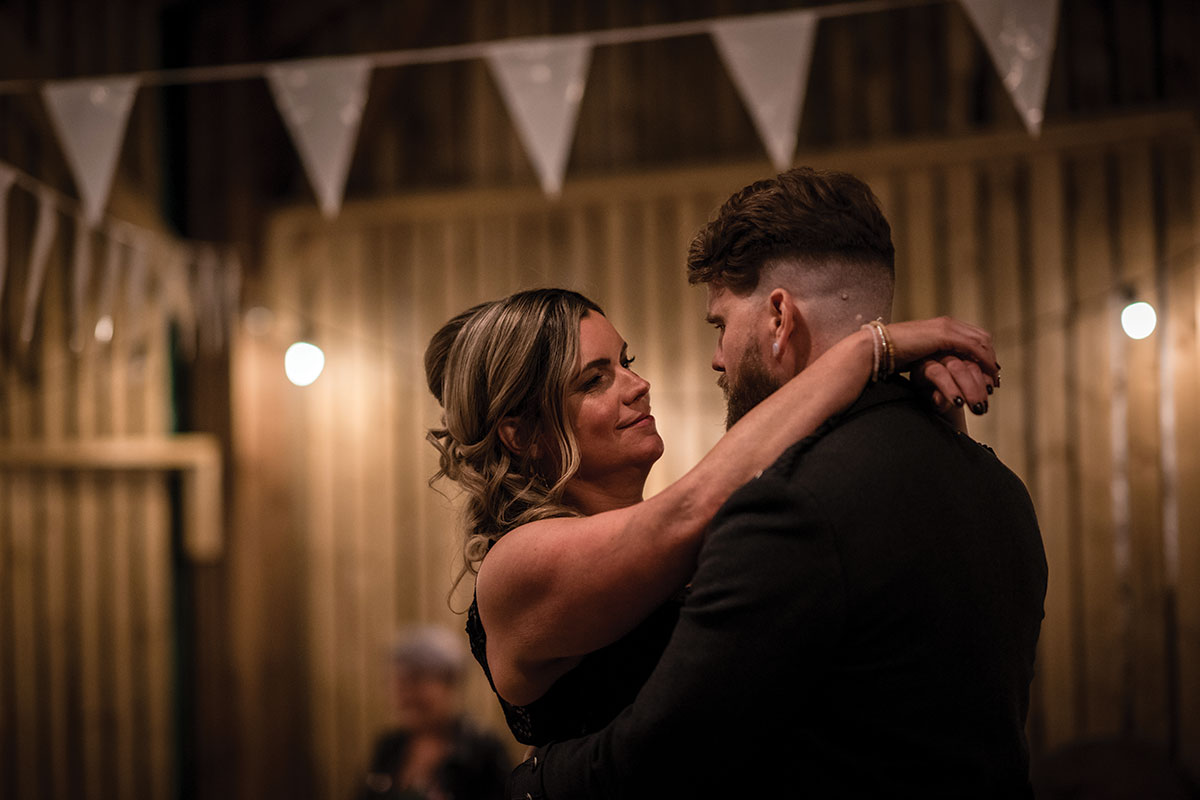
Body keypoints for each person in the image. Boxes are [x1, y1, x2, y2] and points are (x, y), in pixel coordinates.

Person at [505, 167, 1048, 798]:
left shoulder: (792, 507)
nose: (716, 357)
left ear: (779, 317)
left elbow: (666, 754)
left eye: (719, 325)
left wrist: (528, 783)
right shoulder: (999, 487)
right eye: (594, 378)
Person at [427, 260, 995, 748]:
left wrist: (935, 409)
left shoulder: (679, 532)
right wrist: (870, 348)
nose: (637, 383)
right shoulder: (515, 565)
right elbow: (692, 506)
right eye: (594, 380)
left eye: (626, 360)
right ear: (521, 434)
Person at [354, 624, 510, 800]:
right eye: (398, 682)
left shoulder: (482, 750)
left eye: (416, 680)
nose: (404, 694)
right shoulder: (389, 746)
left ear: (451, 682)